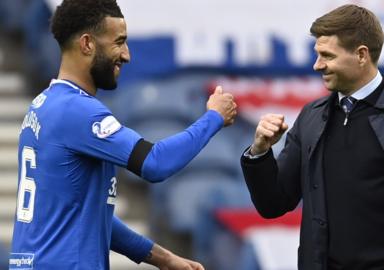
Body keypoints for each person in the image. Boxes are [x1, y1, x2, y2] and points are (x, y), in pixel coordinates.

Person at [240, 4, 384, 270]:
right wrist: (260, 152)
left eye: (326, 56)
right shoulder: (310, 117)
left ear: (361, 54)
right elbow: (274, 203)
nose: (317, 65)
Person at [9, 0, 237, 269]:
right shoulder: (79, 111)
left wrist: (163, 258)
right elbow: (155, 163)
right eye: (119, 42)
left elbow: (89, 214)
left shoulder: (43, 105)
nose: (127, 54)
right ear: (87, 44)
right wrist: (213, 118)